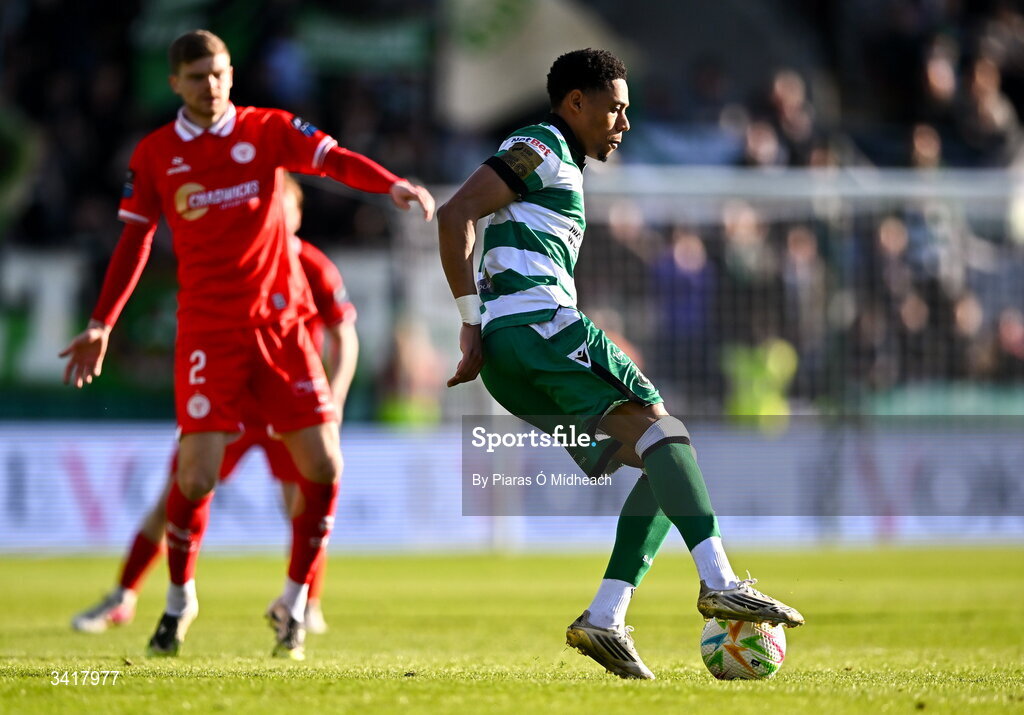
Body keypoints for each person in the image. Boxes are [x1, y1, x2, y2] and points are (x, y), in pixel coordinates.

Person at [60, 30, 434, 660]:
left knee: (324, 469)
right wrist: (102, 322)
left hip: (281, 335)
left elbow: (334, 158)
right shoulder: (154, 155)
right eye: (199, 76)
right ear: (175, 82)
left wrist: (389, 184)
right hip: (209, 333)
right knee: (195, 476)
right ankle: (176, 600)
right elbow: (133, 241)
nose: (213, 85)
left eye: (221, 73)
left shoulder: (267, 129)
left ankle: (293, 601)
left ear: (233, 74)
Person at [436, 48, 803, 681]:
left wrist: (480, 325)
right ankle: (720, 581)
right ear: (575, 102)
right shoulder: (541, 144)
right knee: (669, 433)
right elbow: (454, 213)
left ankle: (607, 615)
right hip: (538, 328)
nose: (623, 123)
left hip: (510, 361)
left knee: (659, 463)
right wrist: (468, 318)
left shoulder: (558, 164)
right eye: (614, 108)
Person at [71, 175, 355, 638]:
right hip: (233, 407)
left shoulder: (313, 265)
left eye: (283, 206)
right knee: (174, 498)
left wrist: (334, 397)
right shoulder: (236, 261)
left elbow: (345, 334)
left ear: (297, 215)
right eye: (267, 205)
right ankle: (123, 596)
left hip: (289, 407)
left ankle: (306, 602)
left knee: (304, 504)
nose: (273, 215)